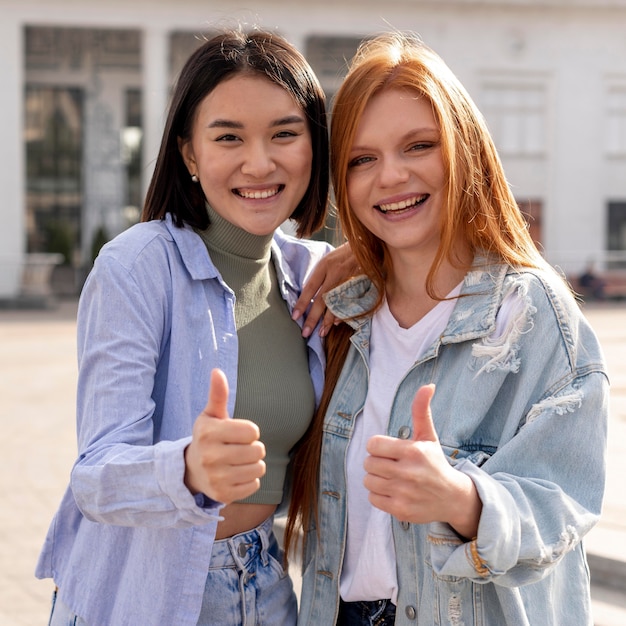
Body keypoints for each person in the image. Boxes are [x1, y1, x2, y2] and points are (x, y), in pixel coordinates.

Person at [286, 32, 609, 626]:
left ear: (462, 149)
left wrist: (463, 501)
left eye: (418, 146)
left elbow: (567, 502)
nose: (390, 176)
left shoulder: (533, 312)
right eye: (362, 159)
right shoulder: (340, 317)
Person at [36, 28, 340, 626]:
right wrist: (187, 468)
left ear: (315, 145)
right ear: (190, 154)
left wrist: (368, 255)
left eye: (285, 133)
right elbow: (95, 476)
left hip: (268, 585)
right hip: (142, 594)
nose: (261, 161)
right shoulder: (136, 266)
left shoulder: (311, 275)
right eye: (229, 137)